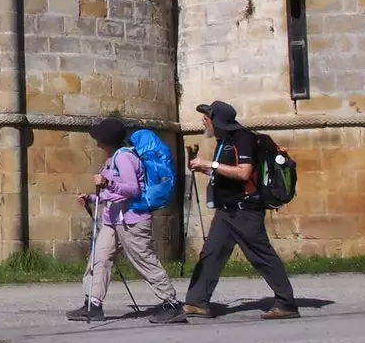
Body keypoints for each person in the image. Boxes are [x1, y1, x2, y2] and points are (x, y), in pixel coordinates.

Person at [183, 101, 299, 319]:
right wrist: (205, 168)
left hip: (245, 210)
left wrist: (211, 165)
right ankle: (197, 302)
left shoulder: (243, 138)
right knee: (211, 253)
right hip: (227, 211)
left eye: (206, 117)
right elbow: (228, 174)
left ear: (217, 120)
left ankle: (286, 303)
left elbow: (244, 173)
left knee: (262, 256)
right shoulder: (225, 141)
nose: (203, 121)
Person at [66, 117, 187, 325]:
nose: (96, 140)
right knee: (99, 258)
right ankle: (93, 303)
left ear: (106, 140)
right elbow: (115, 194)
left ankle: (171, 303)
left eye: (99, 137)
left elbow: (133, 189)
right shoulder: (112, 158)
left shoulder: (124, 158)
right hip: (113, 219)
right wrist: (93, 198)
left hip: (132, 221)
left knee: (144, 260)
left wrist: (107, 182)